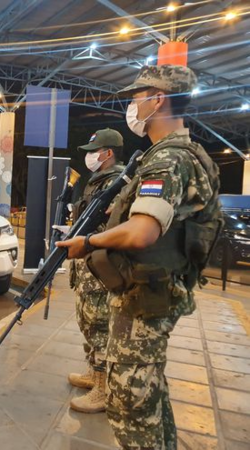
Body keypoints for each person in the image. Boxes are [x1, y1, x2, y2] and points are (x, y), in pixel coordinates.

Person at [57, 65, 221, 449]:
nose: (132, 107)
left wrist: (89, 242)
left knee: (130, 402)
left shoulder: (169, 159)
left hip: (147, 297)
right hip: (154, 289)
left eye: (136, 98)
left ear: (158, 99)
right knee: (150, 393)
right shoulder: (182, 154)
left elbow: (142, 231)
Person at [68, 129, 124, 414]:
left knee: (100, 325)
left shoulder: (118, 182)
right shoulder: (97, 182)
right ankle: (93, 373)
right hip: (86, 264)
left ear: (108, 153)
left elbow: (115, 227)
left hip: (100, 266)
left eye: (94, 151)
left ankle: (103, 389)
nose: (89, 156)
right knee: (87, 321)